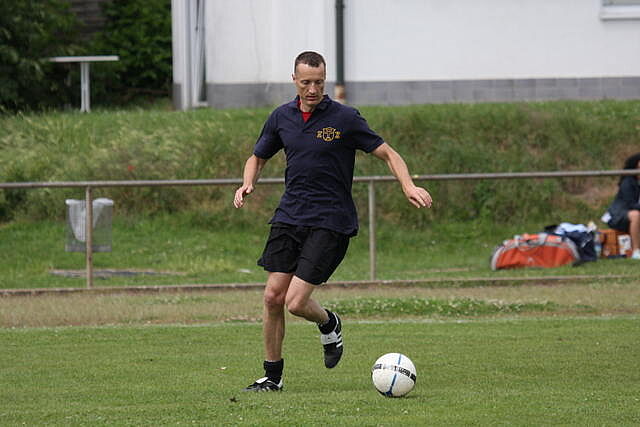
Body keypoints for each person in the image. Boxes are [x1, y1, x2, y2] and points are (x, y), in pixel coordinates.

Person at [233, 51, 432, 392]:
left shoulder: (344, 118)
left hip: (330, 220)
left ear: (325, 80)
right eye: (306, 82)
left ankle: (329, 323)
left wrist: (408, 185)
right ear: (294, 80)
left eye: (319, 82)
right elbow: (258, 156)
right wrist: (247, 182)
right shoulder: (281, 117)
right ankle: (272, 377)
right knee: (272, 297)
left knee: (296, 303)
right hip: (290, 216)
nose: (313, 89)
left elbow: (388, 153)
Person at [602, 152, 640, 260]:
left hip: (633, 212)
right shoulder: (628, 182)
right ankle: (636, 251)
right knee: (636, 215)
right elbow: (631, 204)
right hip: (618, 214)